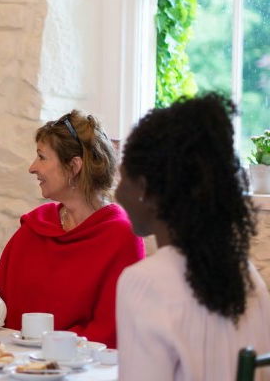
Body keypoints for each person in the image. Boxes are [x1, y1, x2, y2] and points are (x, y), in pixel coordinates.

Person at [0, 110, 144, 348]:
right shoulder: (36, 226)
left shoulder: (122, 236)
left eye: (42, 157)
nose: (32, 168)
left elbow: (110, 331)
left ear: (74, 167)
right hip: (13, 364)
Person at [115, 95, 270, 381]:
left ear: (146, 191)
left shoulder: (144, 283)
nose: (117, 193)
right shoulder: (249, 279)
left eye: (124, 179)